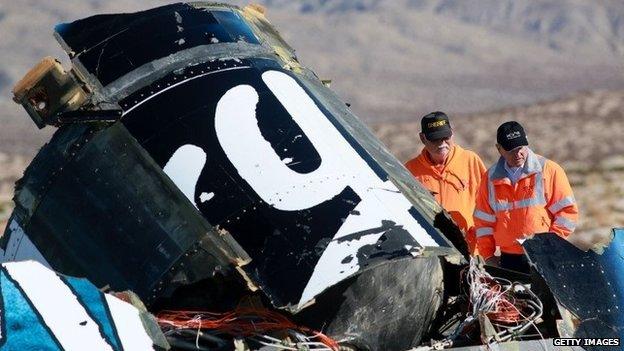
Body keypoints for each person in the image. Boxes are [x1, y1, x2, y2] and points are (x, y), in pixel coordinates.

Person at [473, 121, 579, 272]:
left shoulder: (549, 170)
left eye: (520, 147)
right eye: (510, 150)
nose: (518, 154)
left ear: (527, 142)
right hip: (509, 260)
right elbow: (483, 221)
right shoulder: (490, 178)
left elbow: (568, 213)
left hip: (545, 256)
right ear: (499, 149)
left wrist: (550, 245)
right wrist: (488, 255)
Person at [405, 111, 486, 254]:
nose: (442, 144)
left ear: (452, 133)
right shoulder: (410, 170)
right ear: (423, 138)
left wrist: (481, 232)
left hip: (471, 250)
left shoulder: (470, 160)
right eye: (435, 139)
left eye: (446, 138)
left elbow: (489, 203)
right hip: (430, 252)